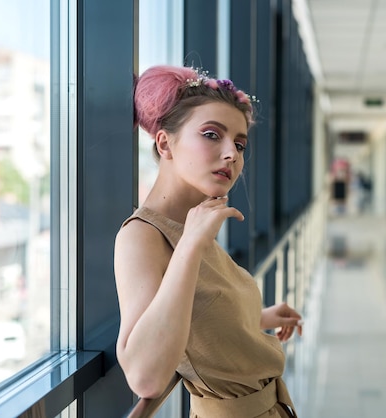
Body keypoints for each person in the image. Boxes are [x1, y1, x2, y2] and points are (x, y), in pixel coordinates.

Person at [114, 65, 303, 418]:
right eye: (212, 135)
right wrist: (190, 244)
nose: (232, 154)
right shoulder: (142, 236)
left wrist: (257, 317)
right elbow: (146, 377)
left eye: (240, 143)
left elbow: (194, 315)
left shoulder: (194, 220)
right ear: (165, 143)